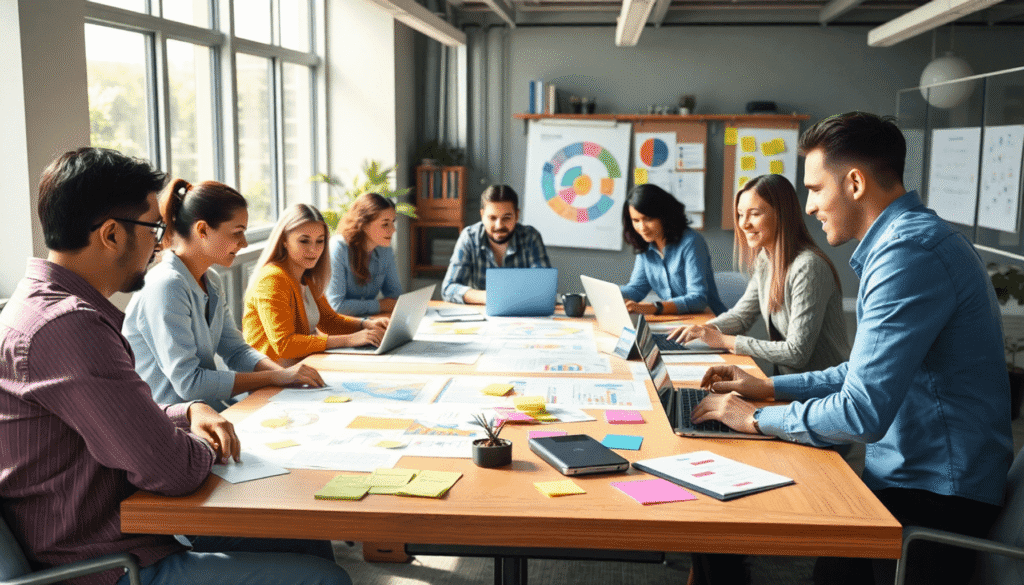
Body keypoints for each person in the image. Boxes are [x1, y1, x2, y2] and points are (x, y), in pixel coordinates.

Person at [0, 147, 350, 585]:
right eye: (153, 228)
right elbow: (172, 469)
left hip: (122, 528)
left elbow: (112, 415)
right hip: (107, 562)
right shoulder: (69, 329)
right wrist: (207, 444)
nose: (158, 242)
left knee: (305, 536)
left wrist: (186, 413)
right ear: (111, 235)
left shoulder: (39, 307)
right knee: (324, 579)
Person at [691, 112, 1012, 585]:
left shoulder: (908, 255)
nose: (811, 205)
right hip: (916, 476)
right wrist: (767, 387)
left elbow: (861, 411)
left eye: (816, 188)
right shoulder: (904, 244)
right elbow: (858, 373)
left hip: (935, 496)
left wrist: (754, 418)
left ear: (855, 183)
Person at [123, 179, 325, 411]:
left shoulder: (211, 281)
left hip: (210, 414)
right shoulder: (166, 286)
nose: (244, 243)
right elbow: (190, 384)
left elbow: (236, 350)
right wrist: (276, 378)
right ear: (202, 230)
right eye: (237, 233)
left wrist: (288, 375)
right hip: (171, 426)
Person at [668, 174, 850, 374]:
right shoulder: (765, 259)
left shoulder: (808, 267)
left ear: (781, 215)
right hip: (789, 383)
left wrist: (722, 340)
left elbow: (796, 353)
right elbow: (741, 317)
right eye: (740, 214)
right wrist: (702, 330)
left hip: (821, 392)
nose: (744, 224)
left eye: (754, 214)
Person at [243, 203, 388, 364]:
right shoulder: (272, 279)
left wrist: (366, 324)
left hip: (303, 368)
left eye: (320, 241)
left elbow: (329, 322)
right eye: (304, 241)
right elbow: (284, 345)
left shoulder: (305, 275)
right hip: (273, 379)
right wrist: (349, 340)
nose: (314, 250)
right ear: (284, 240)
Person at [620, 183, 726, 316]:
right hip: (675, 321)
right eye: (636, 220)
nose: (642, 227)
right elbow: (637, 289)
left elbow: (698, 299)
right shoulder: (646, 245)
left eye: (648, 219)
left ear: (664, 215)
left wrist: (654, 307)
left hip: (710, 322)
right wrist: (610, 293)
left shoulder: (691, 241)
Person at [441, 184, 551, 304]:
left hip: (523, 315)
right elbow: (448, 288)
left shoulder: (530, 237)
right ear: (482, 215)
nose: (499, 226)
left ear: (517, 215)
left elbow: (544, 287)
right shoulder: (470, 237)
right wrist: (489, 297)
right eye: (492, 218)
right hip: (482, 313)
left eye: (506, 218)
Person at [326, 192, 402, 316]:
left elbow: (395, 298)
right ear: (364, 225)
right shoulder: (338, 247)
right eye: (385, 224)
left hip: (366, 322)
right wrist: (380, 305)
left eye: (393, 222)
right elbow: (337, 306)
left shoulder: (385, 249)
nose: (393, 229)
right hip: (337, 329)